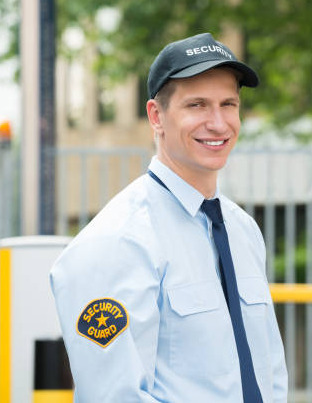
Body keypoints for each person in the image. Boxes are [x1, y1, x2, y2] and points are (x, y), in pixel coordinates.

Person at [50, 32, 288, 402]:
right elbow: (115, 396)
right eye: (197, 105)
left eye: (228, 104)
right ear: (156, 116)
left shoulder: (242, 230)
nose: (219, 123)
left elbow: (269, 372)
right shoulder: (117, 241)